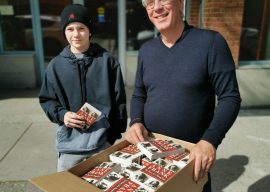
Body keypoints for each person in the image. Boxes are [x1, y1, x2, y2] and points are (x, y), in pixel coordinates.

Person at [125, 0, 241, 191]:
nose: (157, 7)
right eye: (150, 3)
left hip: (191, 160)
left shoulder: (211, 42)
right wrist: (135, 121)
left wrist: (210, 140)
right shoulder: (146, 50)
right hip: (150, 155)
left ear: (180, 3)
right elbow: (139, 94)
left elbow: (230, 97)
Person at [39, 4, 127, 172]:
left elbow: (119, 103)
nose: (76, 34)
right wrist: (62, 115)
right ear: (64, 31)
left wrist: (112, 136)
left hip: (102, 144)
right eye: (70, 29)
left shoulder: (107, 62)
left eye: (81, 28)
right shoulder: (55, 65)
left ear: (90, 31)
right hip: (69, 147)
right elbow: (47, 99)